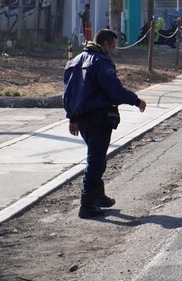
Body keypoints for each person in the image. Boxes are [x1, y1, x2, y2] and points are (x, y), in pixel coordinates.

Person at [63, 29, 147, 218]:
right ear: (106, 44)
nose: (114, 50)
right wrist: (136, 100)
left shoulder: (74, 61)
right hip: (98, 117)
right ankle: (87, 204)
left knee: (96, 156)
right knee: (96, 159)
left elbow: (68, 93)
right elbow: (114, 91)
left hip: (82, 118)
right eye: (113, 45)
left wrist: (72, 118)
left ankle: (98, 196)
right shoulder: (101, 61)